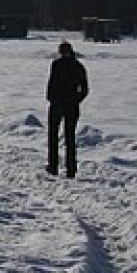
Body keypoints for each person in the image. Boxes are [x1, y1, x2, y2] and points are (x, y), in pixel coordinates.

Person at [45, 41, 89, 178]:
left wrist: (51, 98)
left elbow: (51, 84)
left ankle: (53, 166)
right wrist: (76, 100)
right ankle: (71, 168)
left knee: (54, 136)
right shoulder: (78, 66)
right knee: (70, 137)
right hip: (71, 106)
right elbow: (85, 89)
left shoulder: (57, 65)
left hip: (58, 105)